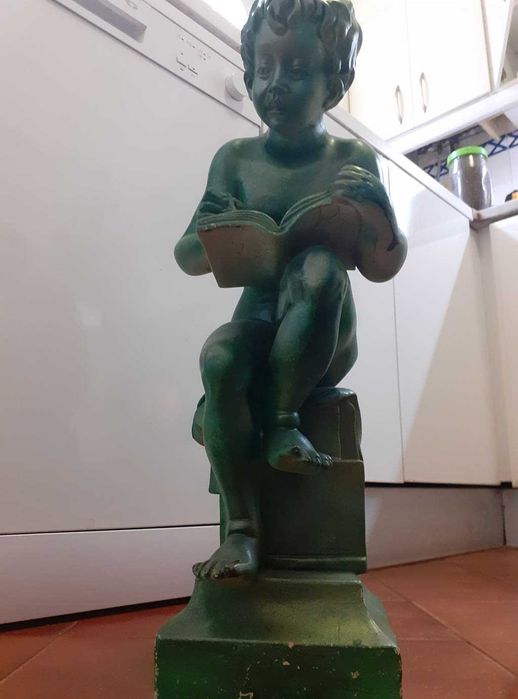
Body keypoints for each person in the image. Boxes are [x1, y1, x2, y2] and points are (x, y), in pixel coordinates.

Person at [174, 0, 407, 581]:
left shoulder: (351, 158)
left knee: (320, 267)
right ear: (250, 72)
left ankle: (281, 419)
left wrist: (380, 215)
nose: (275, 84)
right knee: (219, 357)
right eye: (264, 68)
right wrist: (210, 229)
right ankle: (243, 532)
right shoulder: (234, 160)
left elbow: (383, 267)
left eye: (298, 71)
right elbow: (187, 257)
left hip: (325, 329)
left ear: (335, 85)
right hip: (259, 318)